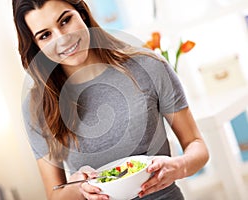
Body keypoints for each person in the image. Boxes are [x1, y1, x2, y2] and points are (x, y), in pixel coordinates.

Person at [12, 0, 209, 199]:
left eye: (65, 21)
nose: (63, 39)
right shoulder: (37, 106)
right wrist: (78, 189)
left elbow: (196, 144)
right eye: (45, 35)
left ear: (82, 13)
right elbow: (54, 195)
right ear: (36, 46)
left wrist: (180, 166)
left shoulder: (150, 66)